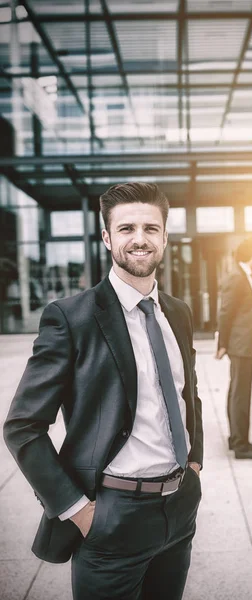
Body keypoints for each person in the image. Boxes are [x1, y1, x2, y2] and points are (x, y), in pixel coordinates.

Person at [3, 182, 203, 600]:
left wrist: (195, 464)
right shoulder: (71, 318)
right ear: (107, 237)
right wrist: (80, 511)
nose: (140, 238)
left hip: (179, 509)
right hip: (112, 516)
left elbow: (188, 393)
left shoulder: (179, 313)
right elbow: (23, 426)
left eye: (151, 228)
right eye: (126, 228)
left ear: (165, 237)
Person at [215, 237, 252, 460]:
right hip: (240, 346)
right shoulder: (237, 277)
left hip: (242, 344)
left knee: (237, 392)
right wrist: (222, 344)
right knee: (241, 394)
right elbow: (225, 313)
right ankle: (241, 445)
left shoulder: (243, 275)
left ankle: (238, 439)